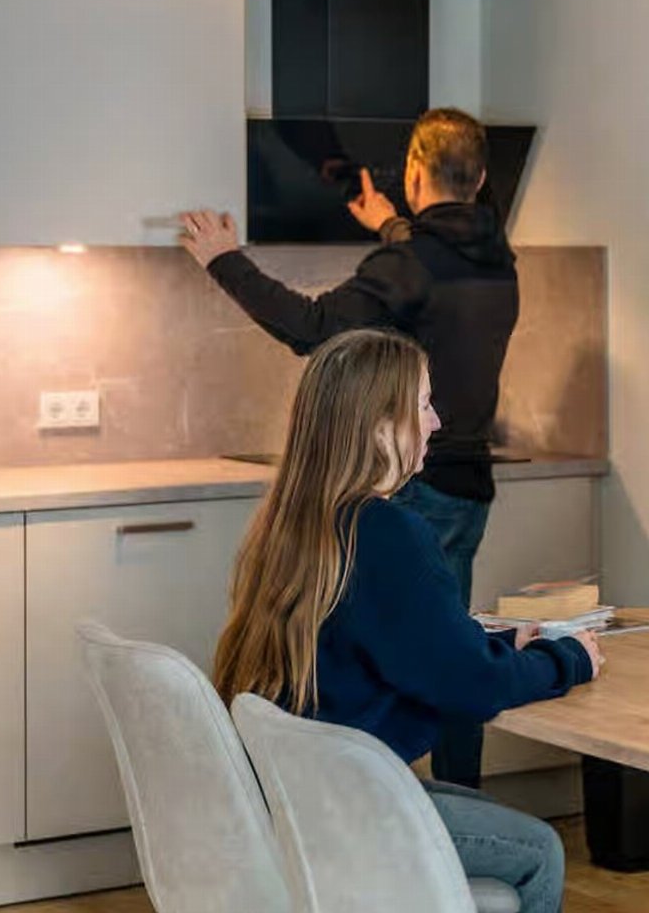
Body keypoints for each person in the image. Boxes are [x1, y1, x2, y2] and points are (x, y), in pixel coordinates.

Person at [211, 329, 602, 913]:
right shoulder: (387, 532)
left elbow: (394, 642)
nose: (436, 422)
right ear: (379, 428)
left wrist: (490, 641)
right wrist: (570, 658)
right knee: (539, 848)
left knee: (488, 818)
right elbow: (473, 686)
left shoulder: (297, 522)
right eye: (423, 404)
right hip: (347, 805)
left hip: (292, 794)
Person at [182, 107, 516, 788]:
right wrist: (388, 224)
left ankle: (366, 809)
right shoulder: (498, 257)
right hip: (469, 488)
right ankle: (455, 805)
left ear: (415, 174)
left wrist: (223, 260)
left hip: (415, 484)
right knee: (457, 658)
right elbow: (428, 257)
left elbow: (313, 328)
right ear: (481, 179)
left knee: (362, 662)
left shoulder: (411, 263)